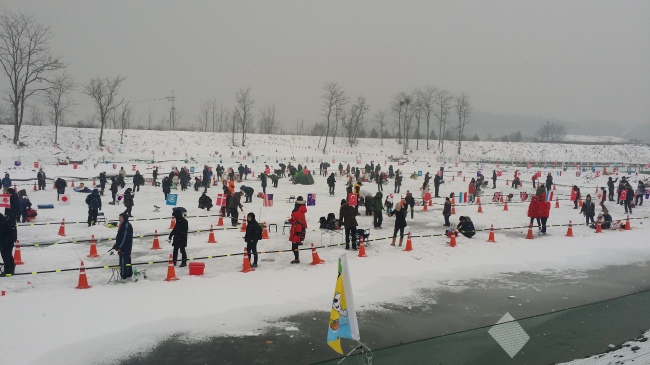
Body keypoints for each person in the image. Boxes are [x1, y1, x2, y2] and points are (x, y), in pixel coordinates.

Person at [112, 213, 133, 280]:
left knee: (124, 262)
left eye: (121, 217)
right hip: (124, 247)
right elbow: (120, 237)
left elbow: (125, 238)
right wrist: (116, 245)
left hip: (125, 248)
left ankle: (124, 276)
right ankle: (129, 275)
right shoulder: (123, 225)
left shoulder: (126, 226)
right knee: (126, 261)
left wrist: (120, 247)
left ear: (124, 218)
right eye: (119, 217)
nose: (119, 218)